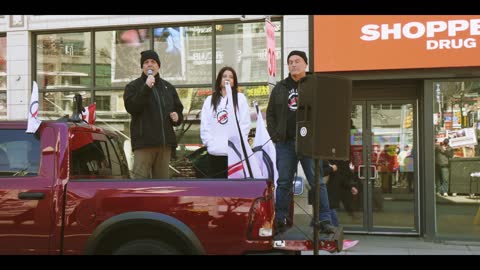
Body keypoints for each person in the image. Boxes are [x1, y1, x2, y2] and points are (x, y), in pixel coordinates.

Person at [266, 50, 335, 234]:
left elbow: (326, 112)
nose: (293, 64)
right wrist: (275, 135)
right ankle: (280, 219)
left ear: (306, 64)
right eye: (290, 62)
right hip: (286, 144)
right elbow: (270, 114)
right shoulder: (280, 87)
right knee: (283, 183)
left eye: (297, 61)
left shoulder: (315, 85)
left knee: (317, 182)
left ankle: (324, 220)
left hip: (309, 143)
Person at [124, 49, 184, 179]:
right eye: (146, 62)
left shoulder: (168, 88)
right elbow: (132, 107)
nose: (150, 64)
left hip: (164, 146)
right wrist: (145, 88)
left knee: (161, 188)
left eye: (153, 61)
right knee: (139, 186)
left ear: (158, 65)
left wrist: (177, 117)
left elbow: (178, 110)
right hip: (144, 145)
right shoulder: (133, 86)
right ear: (142, 66)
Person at [200, 66, 250, 178]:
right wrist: (210, 143)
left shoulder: (240, 98)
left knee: (233, 188)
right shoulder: (210, 100)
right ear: (219, 80)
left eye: (231, 77)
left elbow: (245, 124)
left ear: (234, 81)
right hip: (215, 151)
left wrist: (238, 143)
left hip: (234, 153)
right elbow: (205, 124)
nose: (227, 79)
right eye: (224, 76)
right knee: (217, 188)